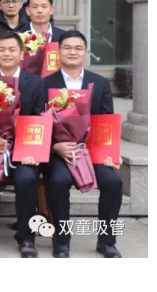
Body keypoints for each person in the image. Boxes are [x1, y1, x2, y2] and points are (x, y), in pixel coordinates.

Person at [43, 30, 123, 258]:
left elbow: (106, 121)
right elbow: (38, 123)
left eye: (78, 48)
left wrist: (110, 153)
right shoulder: (44, 84)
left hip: (92, 151)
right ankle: (62, 241)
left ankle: (106, 241)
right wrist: (54, 147)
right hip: (59, 152)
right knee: (58, 181)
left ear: (86, 54)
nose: (73, 52)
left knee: (113, 182)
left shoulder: (100, 83)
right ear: (58, 53)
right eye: (67, 48)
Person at [0, 32, 46, 257]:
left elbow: (40, 120)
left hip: (24, 148)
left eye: (12, 49)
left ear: (21, 53)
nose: (7, 54)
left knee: (26, 179)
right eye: (2, 50)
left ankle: (26, 237)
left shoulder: (36, 83)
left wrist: (32, 150)